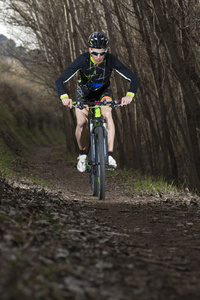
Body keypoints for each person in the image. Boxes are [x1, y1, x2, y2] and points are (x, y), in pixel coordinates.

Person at [55, 31, 139, 172]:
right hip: (84, 94)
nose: (99, 57)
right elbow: (60, 81)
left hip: (103, 93)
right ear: (90, 50)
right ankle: (82, 156)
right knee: (81, 123)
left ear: (106, 51)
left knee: (108, 114)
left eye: (102, 53)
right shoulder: (82, 59)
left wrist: (129, 95)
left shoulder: (111, 60)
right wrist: (64, 97)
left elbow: (134, 78)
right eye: (95, 53)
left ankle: (110, 156)